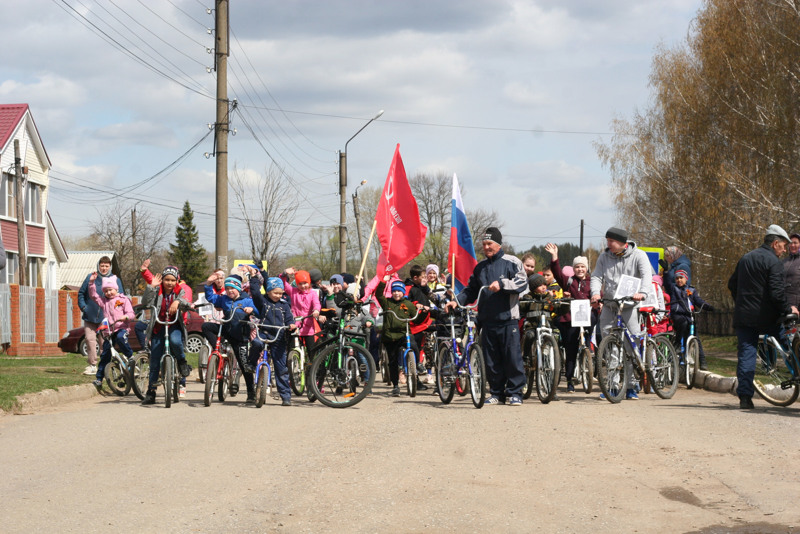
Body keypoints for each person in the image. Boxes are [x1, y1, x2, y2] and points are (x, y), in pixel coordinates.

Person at [445, 227, 527, 406]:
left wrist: (503, 284)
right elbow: (471, 290)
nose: (486, 247)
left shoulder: (512, 262)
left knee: (512, 358)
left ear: (498, 244)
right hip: (487, 320)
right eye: (484, 244)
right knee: (491, 360)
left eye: (490, 243)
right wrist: (456, 301)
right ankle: (496, 393)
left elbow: (522, 282)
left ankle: (515, 393)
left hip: (508, 319)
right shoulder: (480, 267)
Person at [728, 224, 798, 410]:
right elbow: (776, 293)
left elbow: (732, 284)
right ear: (775, 243)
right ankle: (796, 375)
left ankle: (745, 398)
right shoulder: (773, 262)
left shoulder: (746, 258)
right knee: (788, 343)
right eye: (783, 246)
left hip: (744, 317)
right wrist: (787, 309)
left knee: (747, 355)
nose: (784, 250)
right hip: (767, 318)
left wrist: (741, 302)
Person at [590, 227, 652, 400]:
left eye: (611, 241)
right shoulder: (604, 257)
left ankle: (632, 385)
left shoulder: (639, 255)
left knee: (630, 346)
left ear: (623, 243)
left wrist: (643, 293)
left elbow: (647, 276)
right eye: (607, 241)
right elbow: (596, 277)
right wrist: (595, 293)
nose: (608, 244)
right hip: (609, 306)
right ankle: (612, 386)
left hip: (629, 306)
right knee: (610, 348)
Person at [202, 274, 260, 402]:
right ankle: (218, 349)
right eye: (227, 288)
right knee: (206, 326)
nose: (229, 291)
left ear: (238, 289)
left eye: (232, 288)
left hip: (240, 335)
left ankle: (251, 392)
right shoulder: (224, 299)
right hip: (226, 330)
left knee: (245, 365)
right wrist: (208, 284)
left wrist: (252, 310)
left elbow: (259, 311)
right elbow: (211, 297)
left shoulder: (247, 300)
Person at [141, 267, 193, 405]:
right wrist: (151, 287)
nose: (169, 283)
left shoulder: (179, 291)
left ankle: (182, 362)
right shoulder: (157, 290)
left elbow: (187, 302)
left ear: (176, 281)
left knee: (176, 342)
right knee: (155, 358)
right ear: (162, 280)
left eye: (172, 280)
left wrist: (178, 302)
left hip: (174, 325)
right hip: (158, 326)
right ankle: (151, 392)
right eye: (167, 280)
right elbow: (146, 302)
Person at [545, 243, 592, 393]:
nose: (580, 269)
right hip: (570, 319)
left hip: (587, 319)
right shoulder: (569, 281)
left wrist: (597, 302)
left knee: (587, 344)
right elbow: (557, 272)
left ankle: (589, 366)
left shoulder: (592, 282)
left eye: (582, 267)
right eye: (577, 267)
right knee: (570, 352)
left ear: (586, 268)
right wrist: (554, 256)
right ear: (574, 268)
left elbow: (598, 296)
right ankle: (570, 380)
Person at [249, 272, 297, 406]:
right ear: (269, 291)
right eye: (275, 293)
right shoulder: (263, 302)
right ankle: (252, 363)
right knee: (256, 343)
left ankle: (286, 396)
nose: (278, 296)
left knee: (281, 367)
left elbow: (289, 318)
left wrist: (291, 325)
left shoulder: (284, 305)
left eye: (281, 293)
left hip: (279, 336)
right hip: (264, 333)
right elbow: (255, 292)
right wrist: (253, 278)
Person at [376, 275, 429, 397]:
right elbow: (379, 294)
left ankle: (417, 365)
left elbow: (416, 320)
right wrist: (383, 281)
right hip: (390, 336)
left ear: (403, 292)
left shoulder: (408, 304)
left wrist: (423, 313)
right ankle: (395, 386)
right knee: (393, 361)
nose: (396, 293)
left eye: (399, 291)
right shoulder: (387, 303)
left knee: (414, 345)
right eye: (394, 291)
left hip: (403, 333)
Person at [77, 256, 124, 376]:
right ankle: (92, 365)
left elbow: (121, 297)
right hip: (90, 316)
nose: (104, 268)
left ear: (110, 267)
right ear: (98, 266)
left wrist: (116, 312)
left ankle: (105, 366)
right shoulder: (91, 277)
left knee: (105, 343)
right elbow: (81, 293)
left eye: (106, 266)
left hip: (106, 318)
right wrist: (84, 307)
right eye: (102, 266)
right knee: (89, 339)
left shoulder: (115, 279)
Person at [87, 272, 134, 391]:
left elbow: (131, 313)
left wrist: (126, 317)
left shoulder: (123, 300)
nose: (108, 293)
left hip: (121, 328)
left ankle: (130, 357)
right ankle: (99, 379)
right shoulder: (104, 302)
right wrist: (91, 282)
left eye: (110, 290)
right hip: (109, 331)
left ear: (116, 288)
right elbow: (94, 296)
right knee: (105, 355)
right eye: (106, 291)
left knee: (120, 338)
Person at [663, 268, 714, 370]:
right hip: (677, 314)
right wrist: (666, 273)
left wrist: (707, 306)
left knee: (696, 337)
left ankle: (702, 362)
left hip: (689, 315)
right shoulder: (674, 288)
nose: (679, 280)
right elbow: (667, 283)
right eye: (677, 278)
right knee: (683, 323)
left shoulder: (691, 290)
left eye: (681, 278)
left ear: (686, 279)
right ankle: (677, 343)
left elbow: (698, 300)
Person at [784, 233, 800, 310]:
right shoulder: (784, 261)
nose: (792, 245)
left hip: (797, 304)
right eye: (790, 243)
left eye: (795, 243)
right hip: (784, 303)